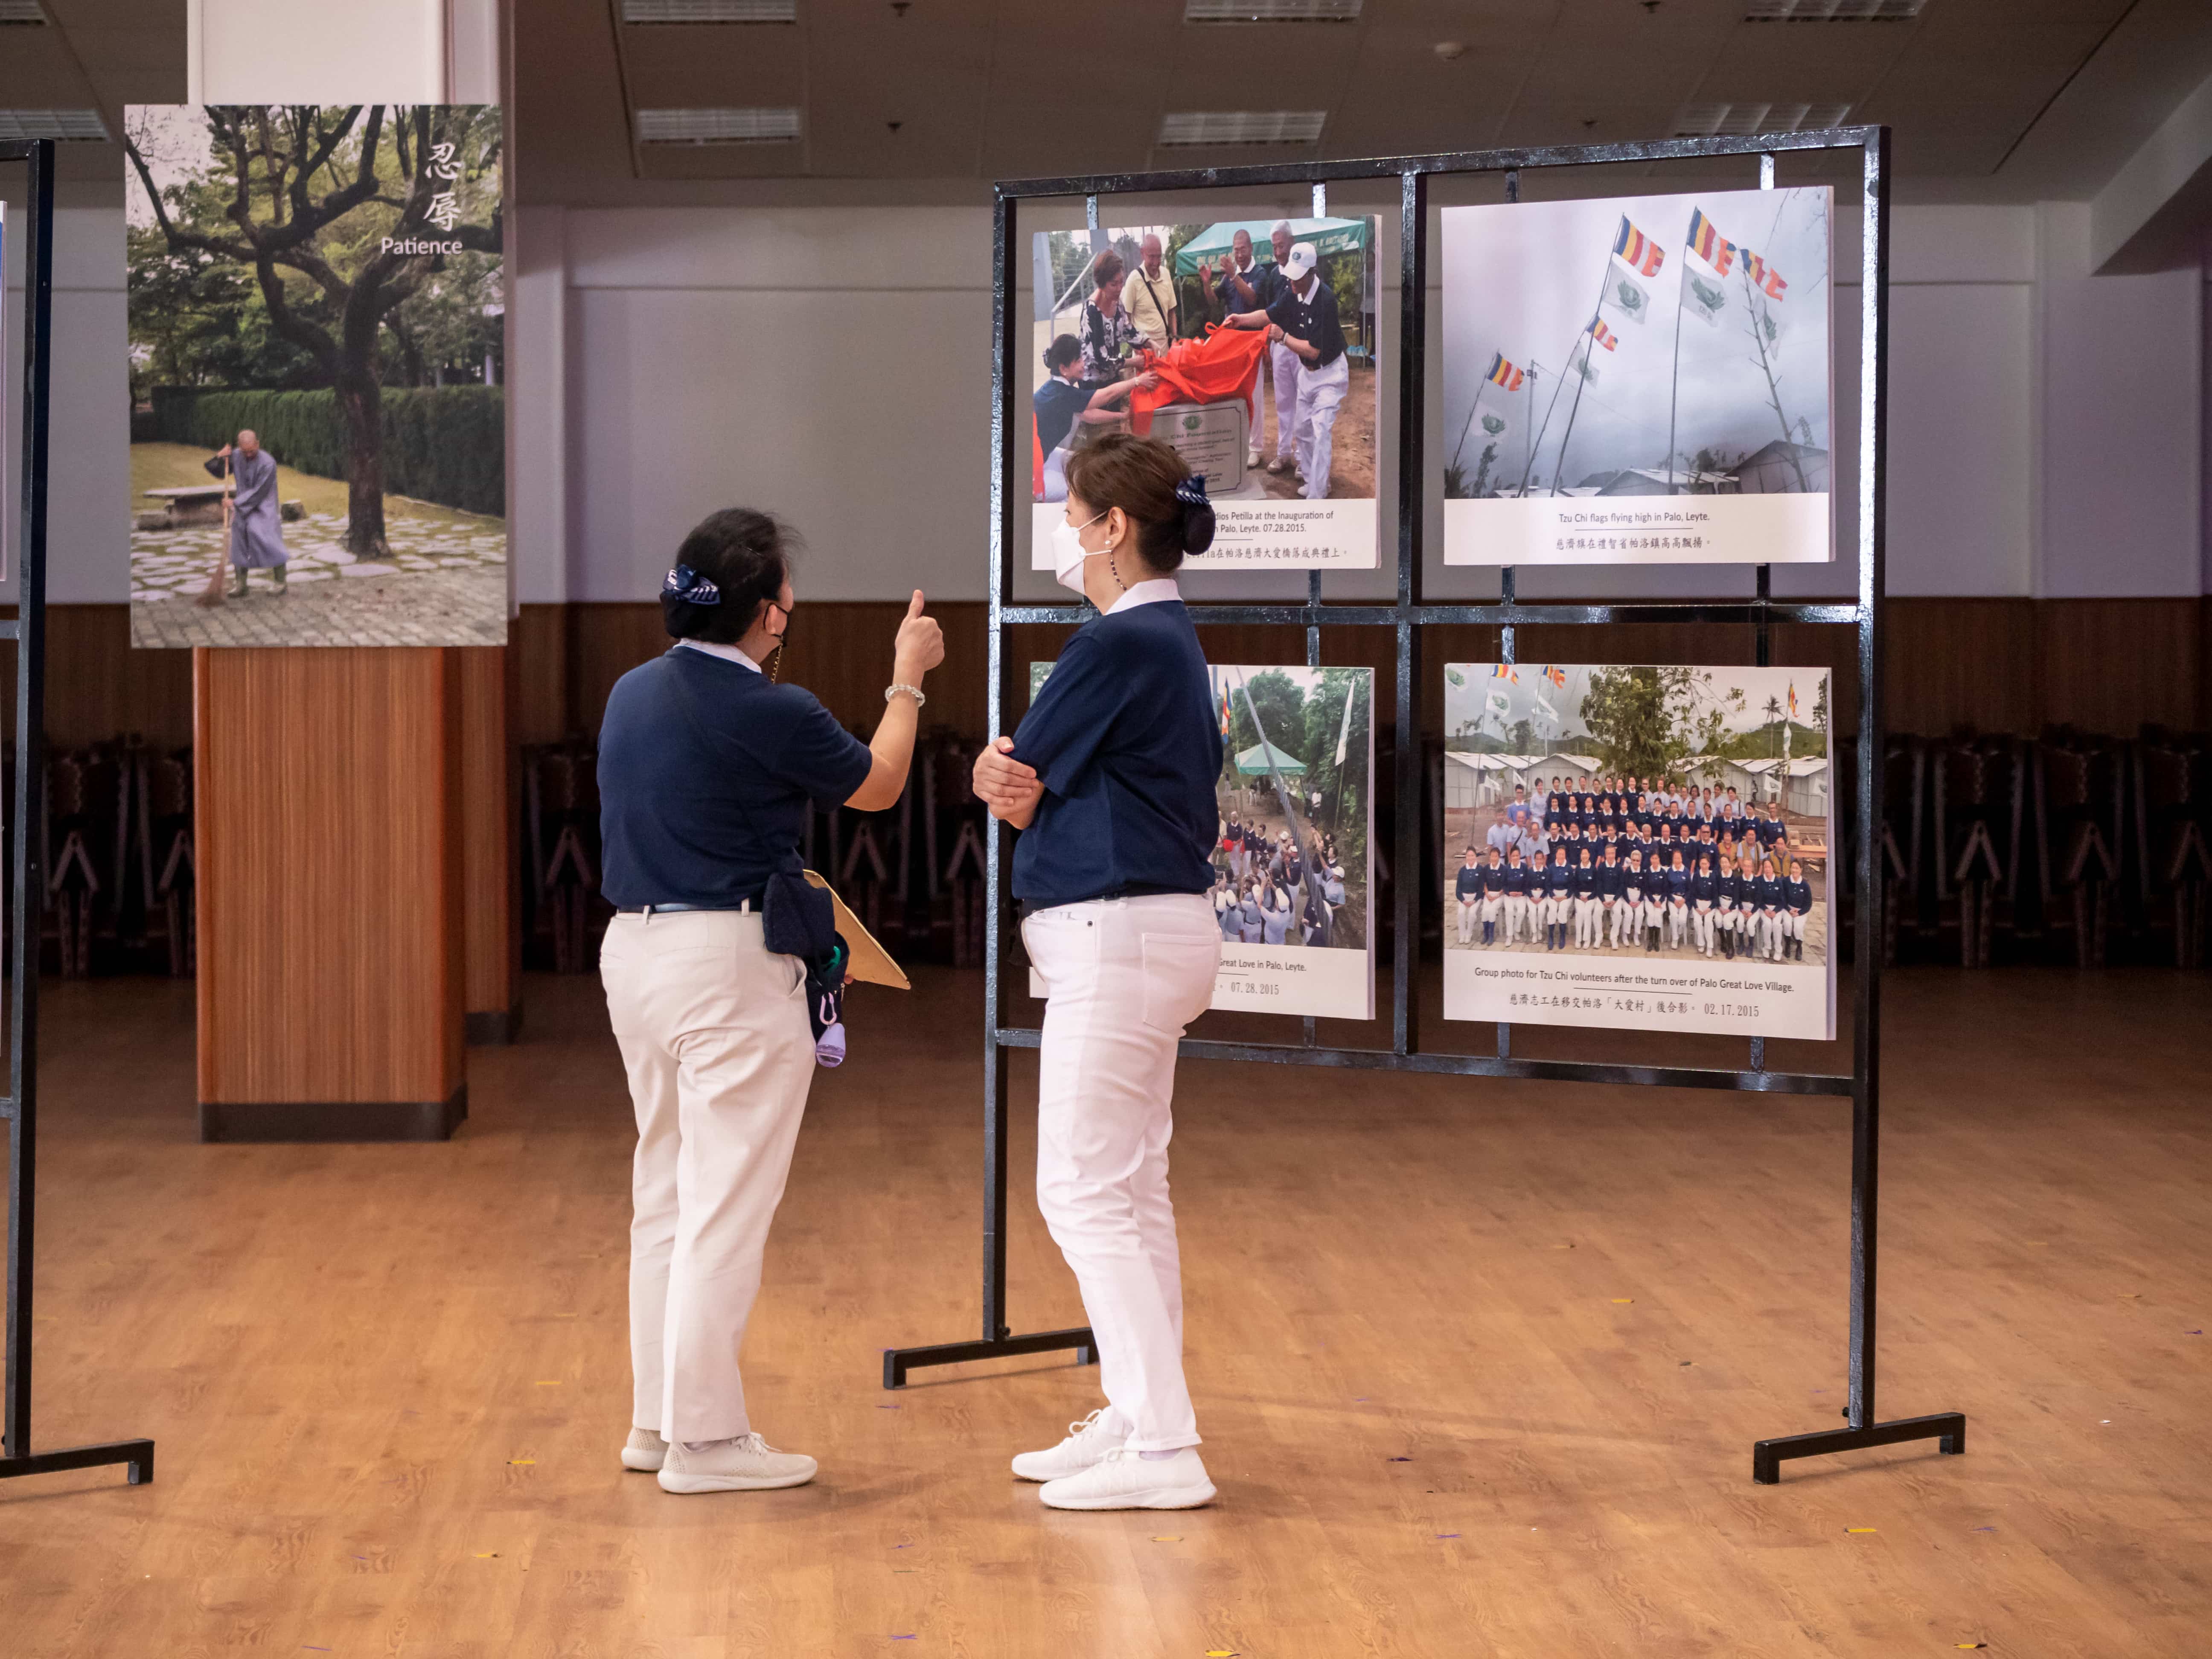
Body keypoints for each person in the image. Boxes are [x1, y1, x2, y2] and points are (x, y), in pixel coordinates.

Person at [597, 508, 945, 1496]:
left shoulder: (631, 692)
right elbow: (877, 785)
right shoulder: (767, 708)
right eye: (787, 601)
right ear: (767, 616)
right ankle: (705, 1443)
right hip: (729, 963)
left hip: (635, 952)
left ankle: (656, 1421)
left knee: (664, 1194)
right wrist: (906, 674)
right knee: (726, 1205)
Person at [969, 433, 1224, 1512]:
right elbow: (1028, 776)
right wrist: (1010, 776)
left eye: (1074, 516)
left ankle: (1162, 1445)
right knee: (1127, 1188)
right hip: (1148, 933)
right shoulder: (1164, 639)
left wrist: (998, 773)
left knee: (1079, 1189)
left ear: (1114, 528)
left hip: (1117, 936)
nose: (1065, 535)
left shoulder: (1117, 644)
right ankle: (1138, 1410)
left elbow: (1016, 776)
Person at [1224, 240, 1348, 501]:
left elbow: (1314, 350)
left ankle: (1317, 496)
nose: (1291, 282)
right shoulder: (1294, 293)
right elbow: (1269, 315)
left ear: (1311, 273)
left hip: (1330, 374)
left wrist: (1282, 338)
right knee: (1302, 431)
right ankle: (1318, 482)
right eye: (1290, 275)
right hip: (1308, 374)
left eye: (1297, 277)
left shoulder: (1325, 300)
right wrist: (1240, 320)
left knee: (1321, 430)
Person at [1199, 223, 1292, 472]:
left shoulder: (1261, 274)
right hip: (1230, 344)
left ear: (1251, 249)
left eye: (1243, 249)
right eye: (1236, 250)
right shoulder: (1230, 277)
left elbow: (1252, 299)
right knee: (1231, 392)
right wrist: (1208, 283)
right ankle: (1235, 441)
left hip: (1253, 342)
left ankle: (1256, 448)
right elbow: (1213, 302)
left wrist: (1233, 275)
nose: (1239, 255)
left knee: (1254, 394)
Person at [1035, 336, 1157, 503]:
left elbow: (1088, 414)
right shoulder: (1061, 394)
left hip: (1043, 457)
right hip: (1028, 472)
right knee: (1080, 492)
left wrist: (1122, 417)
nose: (1084, 364)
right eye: (1078, 360)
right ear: (1064, 368)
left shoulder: (1057, 390)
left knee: (1082, 464)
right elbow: (1107, 395)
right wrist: (1137, 381)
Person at [205, 429, 288, 597]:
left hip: (264, 505)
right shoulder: (236, 455)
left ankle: (281, 582)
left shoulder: (268, 463)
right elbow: (219, 472)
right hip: (242, 506)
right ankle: (241, 584)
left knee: (265, 536)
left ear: (257, 444)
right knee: (239, 537)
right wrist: (220, 457)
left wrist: (234, 503)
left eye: (252, 450)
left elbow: (260, 492)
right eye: (245, 451)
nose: (249, 455)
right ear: (239, 447)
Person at [1079, 249, 1143, 390]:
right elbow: (1101, 360)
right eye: (1114, 284)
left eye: (1122, 282)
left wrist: (1149, 343)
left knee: (1116, 410)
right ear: (1101, 284)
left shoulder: (1117, 303)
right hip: (1092, 383)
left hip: (1112, 378)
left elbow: (1128, 331)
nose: (1120, 288)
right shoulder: (1091, 312)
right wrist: (1133, 362)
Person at [1123, 233, 1178, 354]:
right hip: (1144, 352)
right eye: (1152, 257)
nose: (1156, 262)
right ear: (1142, 253)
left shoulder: (1166, 274)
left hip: (1165, 350)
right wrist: (1137, 348)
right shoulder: (1133, 280)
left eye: (1159, 257)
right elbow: (1125, 320)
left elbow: (1172, 311)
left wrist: (1174, 338)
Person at [1784, 856, 1814, 960]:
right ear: (1790, 869)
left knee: (1798, 927)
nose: (1795, 870)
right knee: (1787, 924)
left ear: (1801, 870)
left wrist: (1800, 913)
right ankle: (1787, 944)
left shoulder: (1805, 885)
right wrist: (1789, 910)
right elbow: (1783, 899)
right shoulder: (1786, 881)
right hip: (1788, 909)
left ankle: (1799, 947)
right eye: (1793, 868)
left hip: (1801, 911)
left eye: (1797, 868)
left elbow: (1809, 904)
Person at [1455, 846, 1483, 945]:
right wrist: (1463, 901)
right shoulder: (1462, 871)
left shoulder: (1480, 869)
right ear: (1466, 857)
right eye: (1468, 856)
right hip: (1464, 898)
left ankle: (1469, 934)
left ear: (1476, 856)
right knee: (1461, 913)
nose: (1470, 858)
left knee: (1472, 914)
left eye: (1472, 855)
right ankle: (1462, 935)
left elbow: (1481, 889)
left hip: (1476, 898)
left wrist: (1474, 901)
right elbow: (1458, 889)